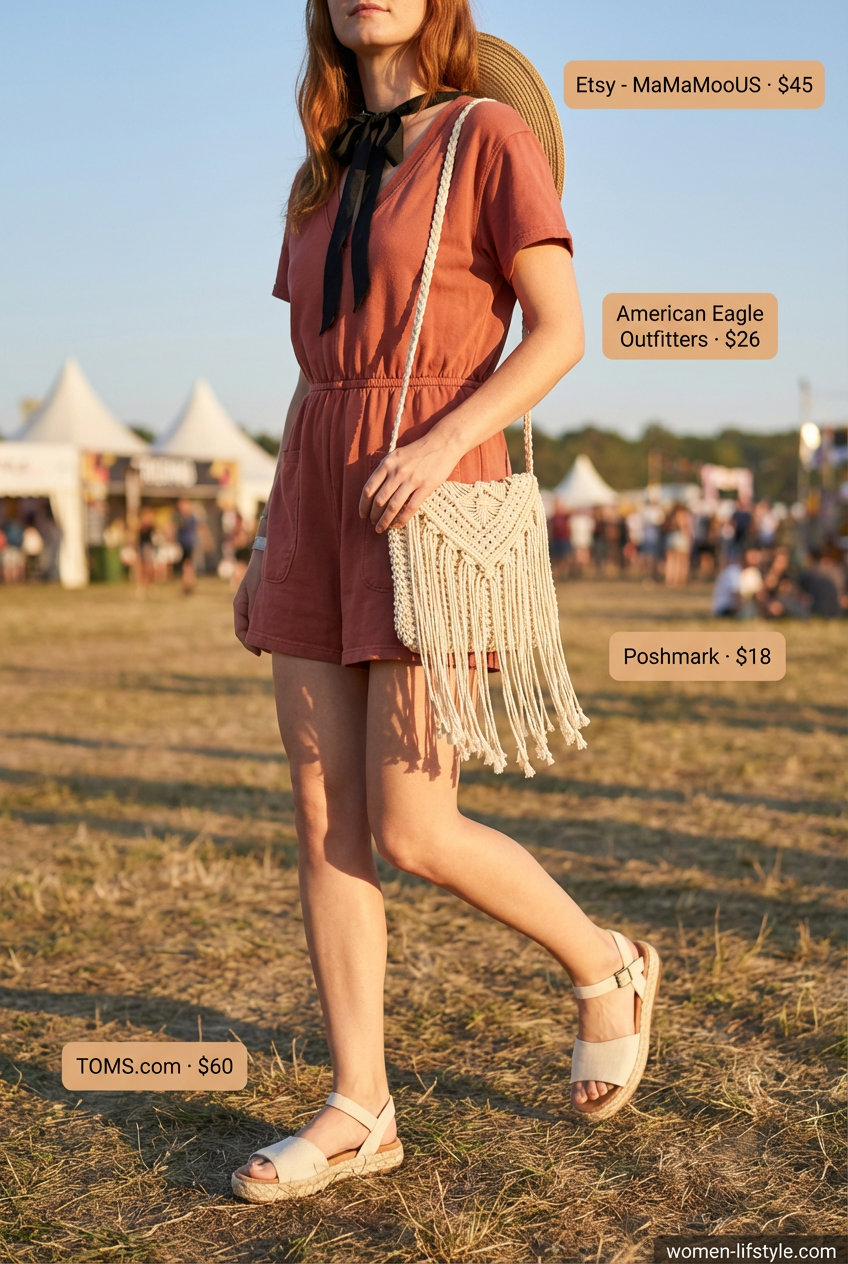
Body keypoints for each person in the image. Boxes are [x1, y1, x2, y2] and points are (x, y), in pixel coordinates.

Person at [231, 0, 661, 1202]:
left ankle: (603, 961)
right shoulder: (318, 175)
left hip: (432, 478)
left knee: (414, 826)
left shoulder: (487, 138)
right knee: (324, 812)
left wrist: (444, 439)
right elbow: (318, 372)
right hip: (316, 481)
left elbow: (559, 331)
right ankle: (359, 1104)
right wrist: (273, 537)